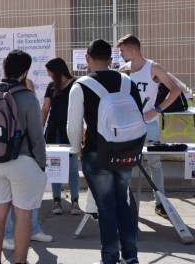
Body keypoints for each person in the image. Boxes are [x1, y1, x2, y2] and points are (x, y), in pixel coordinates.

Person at [67, 39, 142, 264]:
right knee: (123, 204)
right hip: (127, 152)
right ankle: (131, 257)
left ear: (88, 59)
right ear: (111, 60)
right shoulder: (128, 82)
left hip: (95, 153)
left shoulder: (80, 85)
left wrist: (76, 149)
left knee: (106, 207)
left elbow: (73, 125)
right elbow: (138, 115)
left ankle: (110, 258)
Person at [0, 50, 47, 264]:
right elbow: (37, 136)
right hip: (22, 162)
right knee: (23, 215)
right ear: (25, 71)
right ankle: (20, 261)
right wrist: (41, 162)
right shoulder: (27, 97)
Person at [117, 34, 180, 219]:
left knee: (155, 164)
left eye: (122, 50)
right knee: (125, 163)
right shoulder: (123, 70)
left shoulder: (154, 68)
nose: (120, 54)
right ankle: (125, 203)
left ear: (133, 49)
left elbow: (175, 90)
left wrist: (158, 110)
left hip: (149, 124)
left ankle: (160, 203)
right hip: (128, 126)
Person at [2, 77, 53, 251]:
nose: (32, 94)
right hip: (17, 160)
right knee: (10, 202)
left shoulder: (1, 99)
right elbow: (37, 136)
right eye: (30, 90)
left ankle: (33, 230)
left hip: (19, 160)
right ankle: (8, 235)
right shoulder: (20, 103)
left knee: (30, 199)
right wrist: (41, 161)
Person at [41, 57, 82, 216]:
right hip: (54, 132)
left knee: (72, 169)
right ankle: (56, 201)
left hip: (71, 132)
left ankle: (75, 202)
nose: (49, 75)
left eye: (50, 72)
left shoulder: (76, 85)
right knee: (55, 167)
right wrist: (39, 130)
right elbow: (45, 109)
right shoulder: (51, 87)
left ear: (57, 71)